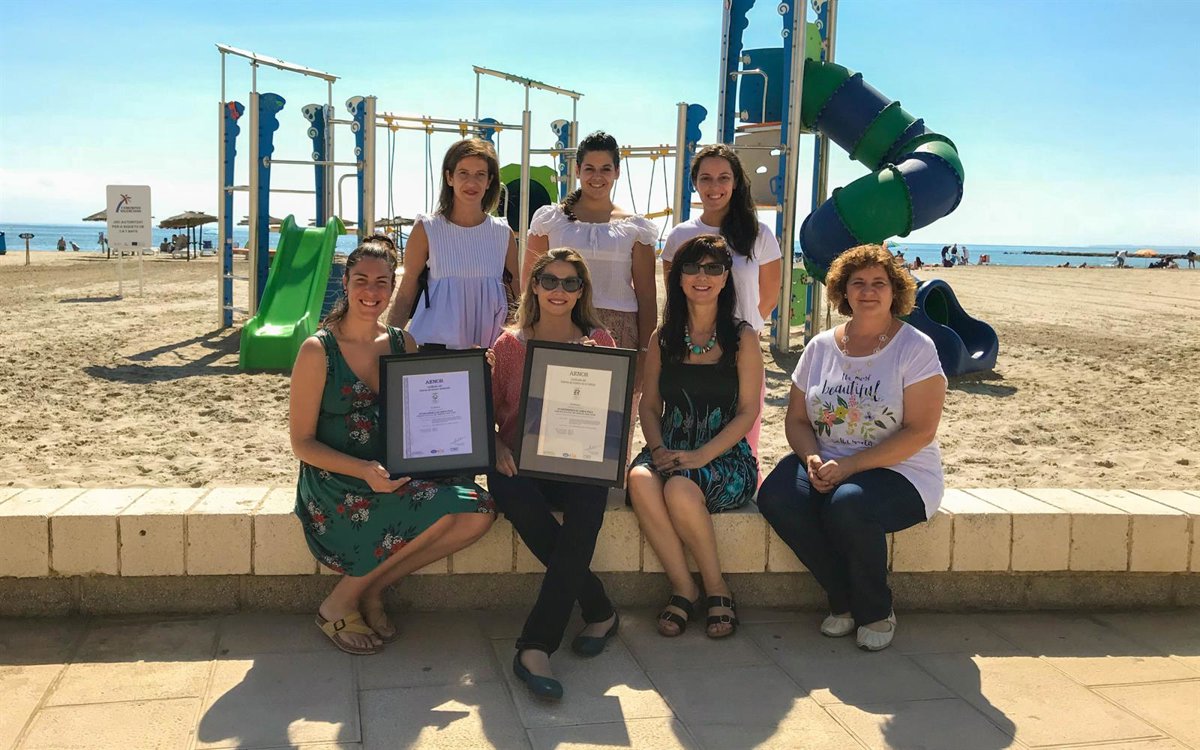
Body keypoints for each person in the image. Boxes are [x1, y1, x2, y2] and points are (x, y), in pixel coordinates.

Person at [291, 238, 496, 655]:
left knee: (480, 510)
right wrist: (363, 470)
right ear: (345, 282)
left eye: (382, 282)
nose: (371, 291)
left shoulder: (405, 342)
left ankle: (371, 589)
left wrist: (470, 375)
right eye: (361, 280)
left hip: (394, 470)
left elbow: (427, 410)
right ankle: (337, 604)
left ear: (392, 287)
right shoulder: (318, 350)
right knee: (446, 507)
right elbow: (302, 443)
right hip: (337, 481)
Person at [756, 244, 946, 652]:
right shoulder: (820, 347)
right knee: (776, 494)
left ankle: (875, 609)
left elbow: (920, 432)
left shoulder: (915, 348)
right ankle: (841, 597)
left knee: (848, 503)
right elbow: (797, 420)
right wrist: (811, 457)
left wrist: (850, 467)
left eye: (879, 283)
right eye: (858, 283)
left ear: (895, 291)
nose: (868, 291)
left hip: (902, 471)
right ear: (843, 291)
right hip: (828, 464)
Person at [489, 248, 620, 701]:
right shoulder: (508, 345)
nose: (558, 291)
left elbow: (612, 415)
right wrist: (497, 446)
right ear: (534, 286)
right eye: (549, 281)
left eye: (570, 283)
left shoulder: (599, 341)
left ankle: (535, 646)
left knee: (587, 507)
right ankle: (599, 608)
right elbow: (486, 412)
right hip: (520, 461)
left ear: (582, 291)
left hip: (580, 462)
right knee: (512, 493)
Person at [627, 234, 762, 640]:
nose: (702, 276)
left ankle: (717, 588)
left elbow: (748, 412)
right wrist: (656, 448)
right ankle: (684, 587)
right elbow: (649, 405)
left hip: (724, 455)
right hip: (669, 446)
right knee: (640, 479)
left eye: (712, 268)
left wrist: (703, 455)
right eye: (692, 267)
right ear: (679, 277)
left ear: (725, 278)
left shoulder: (743, 338)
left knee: (680, 489)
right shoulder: (663, 338)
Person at [661, 144, 781, 475]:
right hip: (691, 353)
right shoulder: (680, 235)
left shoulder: (759, 234)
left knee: (744, 443)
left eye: (723, 178)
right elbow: (675, 295)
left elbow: (769, 296)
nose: (715, 187)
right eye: (706, 178)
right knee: (690, 438)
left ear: (736, 182)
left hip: (740, 352)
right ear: (695, 183)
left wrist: (740, 334)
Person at [526, 130, 658, 361]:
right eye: (590, 169)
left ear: (617, 171)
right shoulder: (550, 221)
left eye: (605, 169)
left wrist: (646, 354)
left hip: (620, 332)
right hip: (559, 325)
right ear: (577, 170)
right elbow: (530, 285)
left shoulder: (636, 228)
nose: (597, 176)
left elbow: (647, 297)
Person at [387, 138, 518, 350]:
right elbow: (406, 293)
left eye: (480, 174)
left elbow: (516, 298)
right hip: (435, 349)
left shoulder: (503, 233)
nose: (472, 183)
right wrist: (387, 343)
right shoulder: (427, 228)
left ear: (489, 181)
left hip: (489, 349)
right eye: (463, 173)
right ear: (449, 177)